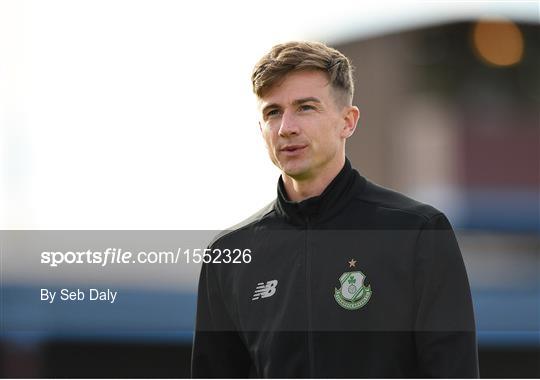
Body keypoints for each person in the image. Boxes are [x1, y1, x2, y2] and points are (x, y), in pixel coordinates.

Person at [191, 41, 479, 378]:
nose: (287, 127)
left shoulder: (418, 231)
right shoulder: (230, 255)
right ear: (261, 129)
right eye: (272, 112)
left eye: (306, 107)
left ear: (348, 121)